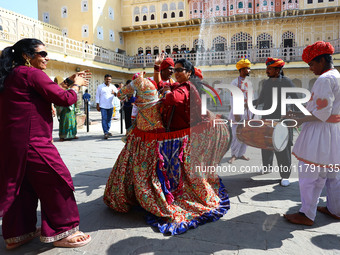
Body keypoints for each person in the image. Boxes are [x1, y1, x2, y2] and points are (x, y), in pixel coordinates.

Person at [104, 60, 231, 235]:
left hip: (181, 135)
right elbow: (162, 84)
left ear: (189, 72)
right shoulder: (180, 84)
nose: (175, 73)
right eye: (174, 70)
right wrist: (159, 73)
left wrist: (167, 92)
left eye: (179, 70)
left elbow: (173, 97)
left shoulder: (186, 87)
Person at [0, 38, 91, 249]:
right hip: (32, 141)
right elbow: (63, 99)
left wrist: (68, 81)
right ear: (26, 56)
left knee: (22, 186)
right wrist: (75, 86)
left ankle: (17, 233)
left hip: (12, 143)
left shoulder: (12, 75)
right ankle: (62, 231)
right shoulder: (30, 73)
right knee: (58, 180)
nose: (46, 57)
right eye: (42, 54)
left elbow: (44, 91)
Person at [284, 41, 340, 226]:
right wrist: (298, 114)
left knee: (310, 175)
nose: (311, 69)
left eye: (312, 64)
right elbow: (325, 110)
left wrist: (298, 120)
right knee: (332, 175)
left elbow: (322, 113)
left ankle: (307, 214)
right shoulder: (336, 76)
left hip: (320, 133)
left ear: (322, 60)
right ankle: (335, 209)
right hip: (333, 132)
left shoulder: (324, 79)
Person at [255, 57, 298, 187]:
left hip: (282, 119)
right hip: (267, 117)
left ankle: (285, 176)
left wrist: (298, 117)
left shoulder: (287, 82)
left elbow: (296, 100)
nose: (267, 71)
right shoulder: (266, 83)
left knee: (282, 148)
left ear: (278, 70)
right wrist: (248, 104)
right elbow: (261, 99)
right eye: (266, 68)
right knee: (266, 144)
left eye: (269, 69)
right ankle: (267, 167)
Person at [228, 58, 252, 164]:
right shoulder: (234, 82)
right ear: (242, 70)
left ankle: (241, 153)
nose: (249, 71)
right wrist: (236, 112)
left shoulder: (249, 82)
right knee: (236, 132)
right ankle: (234, 154)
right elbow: (233, 98)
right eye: (247, 69)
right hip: (238, 111)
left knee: (246, 132)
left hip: (248, 112)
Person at [55, 77, 78, 141]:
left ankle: (73, 134)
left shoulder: (70, 89)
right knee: (64, 121)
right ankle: (62, 136)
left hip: (71, 108)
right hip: (63, 108)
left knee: (72, 121)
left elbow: (74, 97)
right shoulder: (59, 89)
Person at [96, 74, 118, 139]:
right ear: (104, 79)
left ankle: (107, 130)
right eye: (107, 79)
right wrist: (98, 105)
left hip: (110, 105)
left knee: (109, 119)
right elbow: (97, 96)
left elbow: (117, 94)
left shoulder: (113, 87)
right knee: (104, 118)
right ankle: (105, 132)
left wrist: (114, 93)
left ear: (111, 80)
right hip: (103, 106)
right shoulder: (100, 87)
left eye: (109, 79)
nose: (108, 80)